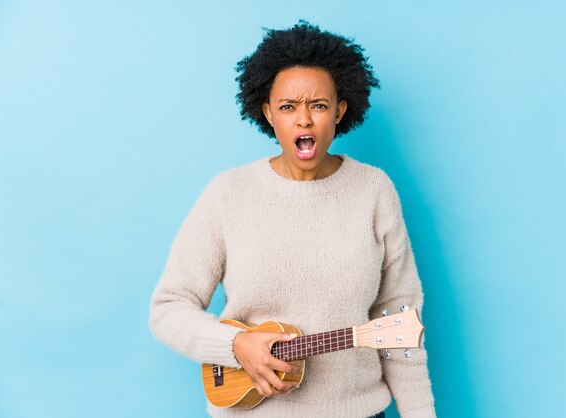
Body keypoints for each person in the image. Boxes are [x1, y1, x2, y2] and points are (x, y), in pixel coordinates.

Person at [149, 20, 436, 418]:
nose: (304, 120)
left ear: (340, 109)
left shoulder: (374, 190)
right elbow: (168, 308)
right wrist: (233, 345)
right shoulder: (228, 193)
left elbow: (401, 325)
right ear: (268, 113)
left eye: (318, 105)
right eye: (288, 107)